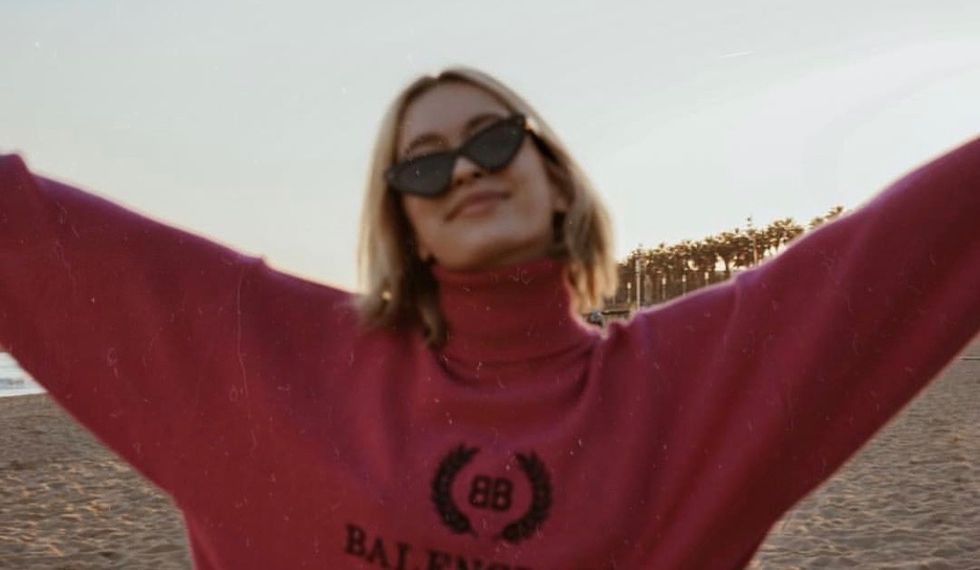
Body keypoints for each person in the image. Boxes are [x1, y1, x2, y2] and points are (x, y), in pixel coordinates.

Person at [0, 66, 978, 570]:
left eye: (493, 138)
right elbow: (23, 235)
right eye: (425, 164)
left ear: (557, 178)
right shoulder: (270, 362)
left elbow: (928, 235)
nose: (465, 168)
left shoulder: (681, 392)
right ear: (404, 222)